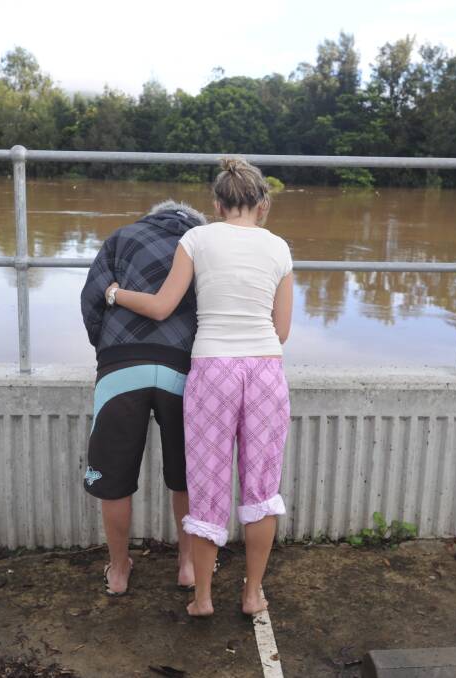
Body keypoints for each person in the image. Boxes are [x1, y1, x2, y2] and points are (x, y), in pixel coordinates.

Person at [104, 158, 293, 617]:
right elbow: (281, 329)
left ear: (216, 204)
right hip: (266, 371)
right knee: (261, 489)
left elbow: (163, 306)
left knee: (207, 485)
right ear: (262, 204)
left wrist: (114, 293)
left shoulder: (196, 238)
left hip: (212, 372)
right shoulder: (279, 248)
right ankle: (251, 595)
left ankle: (203, 598)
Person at [80, 200, 207, 596]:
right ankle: (187, 566)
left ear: (153, 216)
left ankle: (119, 572)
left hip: (122, 364)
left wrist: (108, 348)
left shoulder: (120, 238)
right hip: (183, 368)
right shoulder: (202, 245)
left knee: (114, 478)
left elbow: (91, 300)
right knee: (186, 476)